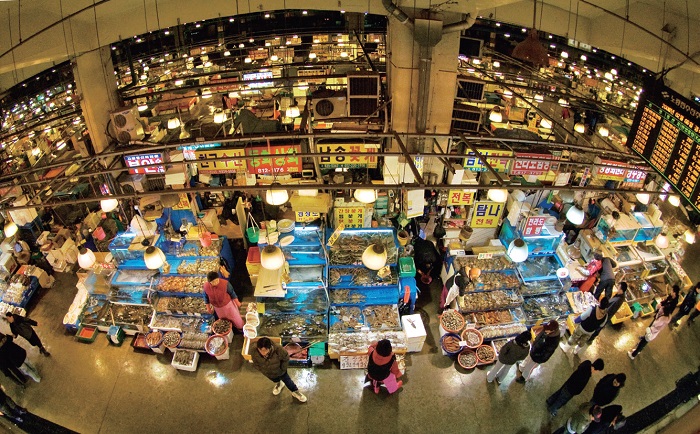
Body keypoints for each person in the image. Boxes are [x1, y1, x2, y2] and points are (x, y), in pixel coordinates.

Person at [628, 286, 679, 359]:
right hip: (653, 331)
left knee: (644, 341)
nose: (670, 291)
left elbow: (655, 325)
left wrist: (659, 309)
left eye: (672, 291)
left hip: (652, 331)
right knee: (645, 339)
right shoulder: (666, 317)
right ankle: (639, 348)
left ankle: (633, 354)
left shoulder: (662, 317)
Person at [251, 337, 307, 403]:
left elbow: (286, 358)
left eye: (265, 350)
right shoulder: (254, 351)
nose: (263, 353)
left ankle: (295, 392)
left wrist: (282, 369)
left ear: (269, 347)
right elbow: (255, 362)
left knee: (288, 382)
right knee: (275, 380)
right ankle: (279, 384)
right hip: (268, 373)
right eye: (261, 350)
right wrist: (262, 370)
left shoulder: (278, 349)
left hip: (281, 371)